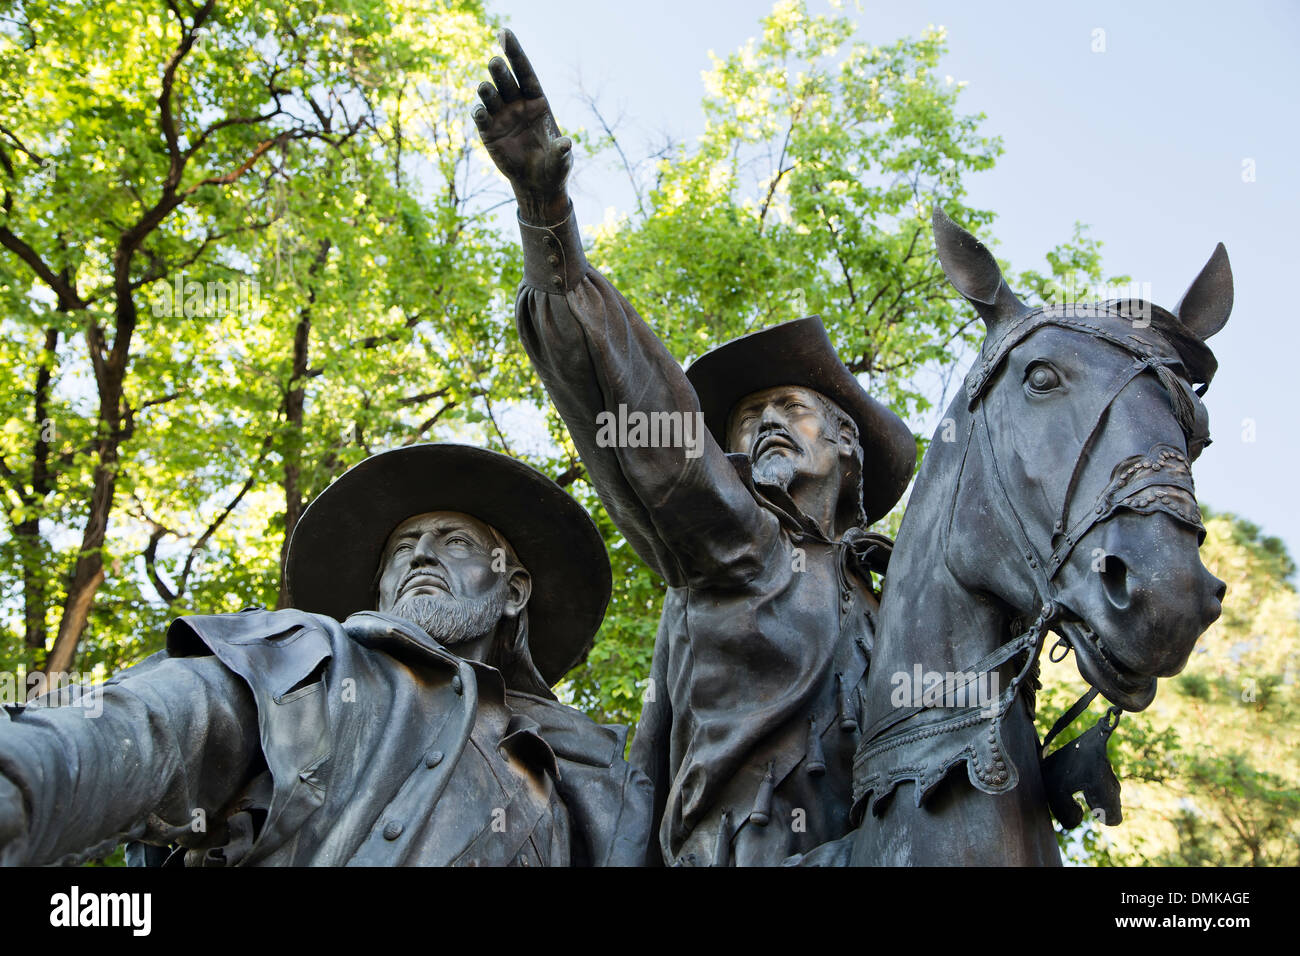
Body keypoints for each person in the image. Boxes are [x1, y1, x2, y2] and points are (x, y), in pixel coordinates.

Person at [473, 32, 916, 866]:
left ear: (848, 445)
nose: (761, 425)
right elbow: (632, 398)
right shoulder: (733, 539)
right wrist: (547, 214)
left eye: (791, 406)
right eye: (745, 420)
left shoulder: (896, 601)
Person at [0, 443, 651, 867]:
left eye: (453, 542)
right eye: (402, 549)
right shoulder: (311, 661)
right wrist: (23, 778)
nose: (421, 555)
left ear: (512, 589)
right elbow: (153, 729)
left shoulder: (596, 782)